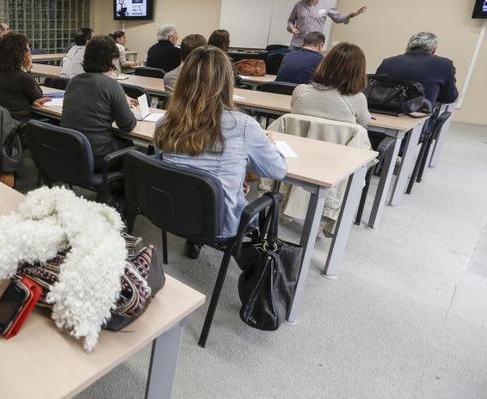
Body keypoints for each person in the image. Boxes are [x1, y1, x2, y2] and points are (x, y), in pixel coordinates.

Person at [154, 46, 287, 256]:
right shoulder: (244, 126)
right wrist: (269, 143)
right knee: (270, 196)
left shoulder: (164, 123)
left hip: (173, 213)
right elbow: (278, 170)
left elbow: (170, 165)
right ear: (227, 82)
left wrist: (230, 179)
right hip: (221, 226)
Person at [61, 35, 136, 168]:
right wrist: (123, 105)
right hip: (99, 156)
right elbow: (128, 125)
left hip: (72, 151)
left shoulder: (73, 82)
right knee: (133, 149)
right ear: (110, 59)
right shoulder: (111, 85)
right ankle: (119, 186)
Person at [290, 42, 371, 128]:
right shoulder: (357, 98)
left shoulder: (300, 91)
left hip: (299, 141)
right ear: (358, 72)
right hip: (338, 141)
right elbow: (364, 124)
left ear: (326, 63)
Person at [375, 32, 459, 109]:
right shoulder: (444, 64)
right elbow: (449, 97)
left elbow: (375, 91)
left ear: (408, 47)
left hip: (382, 114)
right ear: (433, 50)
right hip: (418, 119)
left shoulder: (388, 62)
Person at [0, 32, 50, 122]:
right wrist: (26, 70)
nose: (29, 53)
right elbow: (39, 95)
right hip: (15, 127)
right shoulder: (22, 77)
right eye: (27, 50)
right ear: (18, 53)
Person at [287, 0, 366, 49]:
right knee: (290, 64)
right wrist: (292, 28)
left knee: (311, 65)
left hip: (314, 45)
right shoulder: (299, 5)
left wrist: (350, 15)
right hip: (297, 44)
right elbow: (290, 21)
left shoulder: (326, 5)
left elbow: (338, 18)